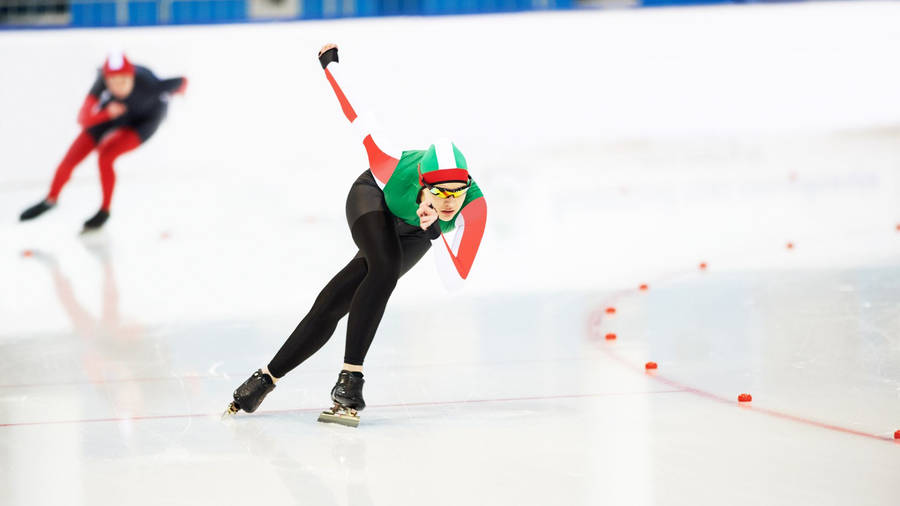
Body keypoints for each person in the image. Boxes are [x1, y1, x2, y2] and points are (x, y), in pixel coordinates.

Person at [225, 44, 488, 426]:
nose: (451, 202)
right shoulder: (389, 163)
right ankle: (352, 379)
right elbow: (358, 112)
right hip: (373, 199)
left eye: (457, 191)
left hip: (417, 231)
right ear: (422, 183)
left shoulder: (473, 207)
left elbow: (454, 278)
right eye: (441, 192)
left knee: (335, 302)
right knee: (383, 267)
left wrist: (434, 232)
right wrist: (330, 66)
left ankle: (264, 379)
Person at [19, 52, 187, 231]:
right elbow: (83, 118)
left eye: (123, 81)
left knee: (106, 157)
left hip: (144, 121)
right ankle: (50, 200)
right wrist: (106, 113)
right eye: (112, 82)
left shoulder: (151, 85)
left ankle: (105, 210)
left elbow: (182, 81)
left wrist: (180, 92)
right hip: (112, 114)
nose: (118, 87)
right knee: (72, 156)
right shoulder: (101, 82)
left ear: (132, 76)